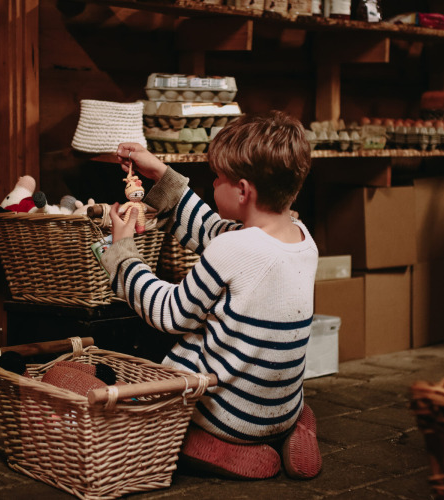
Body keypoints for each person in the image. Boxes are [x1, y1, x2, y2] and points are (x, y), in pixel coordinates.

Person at [102, 111, 321, 480]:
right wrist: (160, 173)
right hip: (276, 408)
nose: (213, 183)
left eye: (217, 178)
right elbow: (212, 229)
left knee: (154, 409)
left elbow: (169, 313)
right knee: (280, 386)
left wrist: (123, 253)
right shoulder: (300, 236)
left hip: (229, 418)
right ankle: (295, 426)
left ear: (242, 191)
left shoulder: (233, 249)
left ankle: (215, 447)